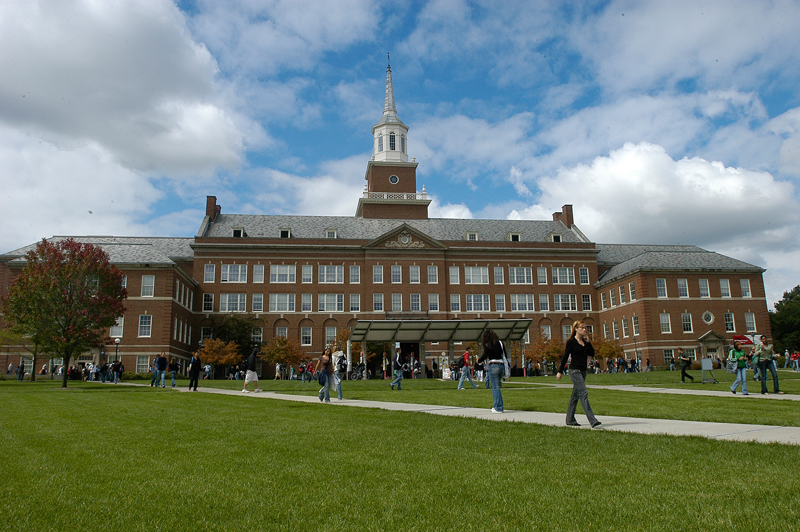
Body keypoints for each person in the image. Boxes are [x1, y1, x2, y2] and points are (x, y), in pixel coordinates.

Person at [557, 321, 601, 428]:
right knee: (583, 393)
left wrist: (589, 342)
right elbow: (565, 356)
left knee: (575, 395)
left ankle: (570, 419)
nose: (584, 330)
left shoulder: (585, 342)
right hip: (574, 371)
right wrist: (560, 371)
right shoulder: (571, 342)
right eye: (582, 328)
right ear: (576, 329)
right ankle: (592, 420)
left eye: (585, 328)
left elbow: (592, 353)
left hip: (583, 371)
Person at [478, 329, 505, 413]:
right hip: (501, 365)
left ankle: (498, 407)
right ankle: (496, 405)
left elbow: (485, 355)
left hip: (493, 365)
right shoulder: (500, 343)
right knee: (497, 386)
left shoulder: (487, 344)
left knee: (495, 387)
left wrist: (478, 360)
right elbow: (504, 355)